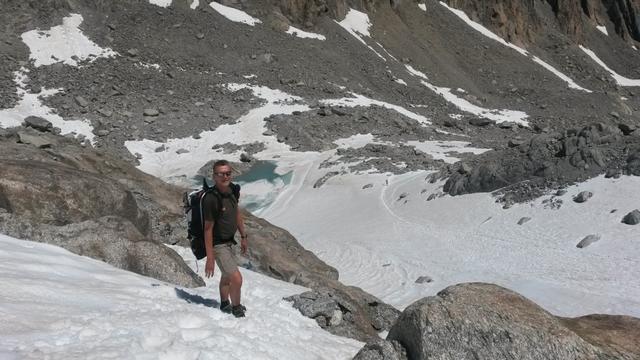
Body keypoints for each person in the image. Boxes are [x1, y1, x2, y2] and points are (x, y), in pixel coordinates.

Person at [203, 160, 248, 318]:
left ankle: (224, 303)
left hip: (230, 240)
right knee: (236, 278)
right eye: (221, 174)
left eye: (228, 173)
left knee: (227, 275)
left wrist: (243, 236)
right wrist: (210, 258)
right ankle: (236, 308)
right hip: (218, 244)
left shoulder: (233, 190)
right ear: (214, 176)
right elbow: (207, 230)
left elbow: (236, 213)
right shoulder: (211, 199)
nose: (225, 176)